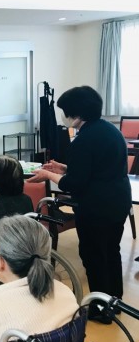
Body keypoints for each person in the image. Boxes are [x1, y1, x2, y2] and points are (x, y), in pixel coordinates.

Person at [28, 86, 131, 322]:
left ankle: (99, 310)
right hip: (118, 202)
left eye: (65, 111)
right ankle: (114, 302)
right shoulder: (109, 130)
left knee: (94, 255)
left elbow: (74, 184)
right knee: (110, 251)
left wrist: (49, 175)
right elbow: (97, 168)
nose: (64, 116)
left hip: (97, 207)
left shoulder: (83, 140)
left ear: (76, 113)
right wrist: (64, 168)